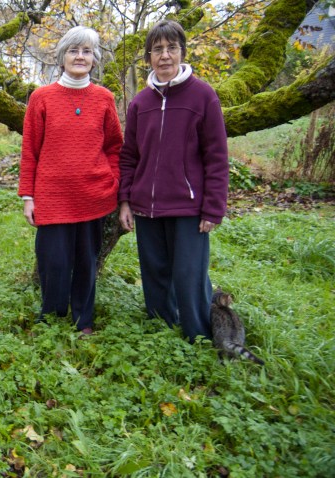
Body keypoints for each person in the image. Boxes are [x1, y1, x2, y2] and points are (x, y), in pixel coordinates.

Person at [118, 20, 229, 343]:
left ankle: (198, 335)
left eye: (171, 48)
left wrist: (213, 208)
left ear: (181, 51)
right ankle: (160, 330)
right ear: (149, 56)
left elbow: (217, 157)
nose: (164, 56)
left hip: (188, 207)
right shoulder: (140, 103)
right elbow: (129, 156)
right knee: (155, 273)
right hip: (146, 207)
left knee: (188, 275)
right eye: (157, 50)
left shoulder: (203, 95)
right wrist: (125, 200)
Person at [18, 26, 123, 337]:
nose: (80, 56)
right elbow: (30, 149)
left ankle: (83, 320)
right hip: (51, 198)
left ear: (94, 58)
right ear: (61, 57)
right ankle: (51, 317)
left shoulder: (104, 98)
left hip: (93, 197)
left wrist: (113, 181)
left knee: (87, 263)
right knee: (53, 262)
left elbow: (115, 146)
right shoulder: (41, 98)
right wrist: (28, 196)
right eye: (73, 51)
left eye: (87, 51)